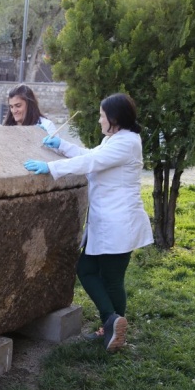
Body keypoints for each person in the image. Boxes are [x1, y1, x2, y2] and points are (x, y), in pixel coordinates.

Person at [23, 93, 153, 352]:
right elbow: (89, 154)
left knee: (111, 278)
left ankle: (112, 326)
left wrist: (51, 168)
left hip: (119, 221)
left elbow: (91, 162)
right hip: (107, 221)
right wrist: (60, 144)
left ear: (114, 118)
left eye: (102, 115)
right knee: (86, 269)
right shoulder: (115, 139)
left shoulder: (126, 143)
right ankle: (113, 322)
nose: (99, 120)